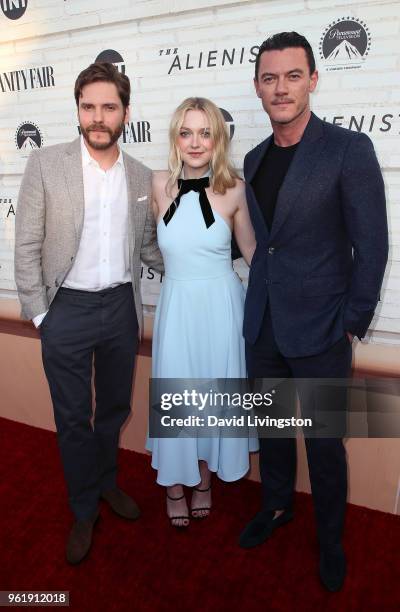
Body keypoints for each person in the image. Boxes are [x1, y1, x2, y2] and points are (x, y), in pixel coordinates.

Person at [238, 32, 388, 592]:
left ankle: (330, 539)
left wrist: (352, 321)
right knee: (273, 432)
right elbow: (263, 244)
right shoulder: (253, 159)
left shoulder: (348, 150)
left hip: (324, 330)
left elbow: (372, 245)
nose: (281, 88)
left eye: (292, 76)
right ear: (257, 87)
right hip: (266, 327)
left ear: (313, 80)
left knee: (325, 446)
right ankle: (277, 506)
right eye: (270, 78)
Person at [14, 62, 163, 564]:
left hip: (120, 308)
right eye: (89, 107)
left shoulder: (143, 176)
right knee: (74, 417)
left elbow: (148, 248)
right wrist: (41, 316)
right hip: (66, 311)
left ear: (125, 112)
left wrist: (202, 258)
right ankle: (83, 508)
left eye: (109, 107)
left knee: (115, 409)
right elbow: (27, 244)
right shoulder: (46, 164)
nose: (98, 118)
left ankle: (107, 483)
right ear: (77, 109)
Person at [147, 97, 258, 528]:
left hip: (222, 307)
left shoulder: (235, 188)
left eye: (205, 132)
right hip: (177, 306)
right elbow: (144, 245)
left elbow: (250, 252)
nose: (196, 142)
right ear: (176, 137)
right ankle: (175, 485)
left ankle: (204, 481)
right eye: (187, 132)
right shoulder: (157, 184)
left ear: (218, 138)